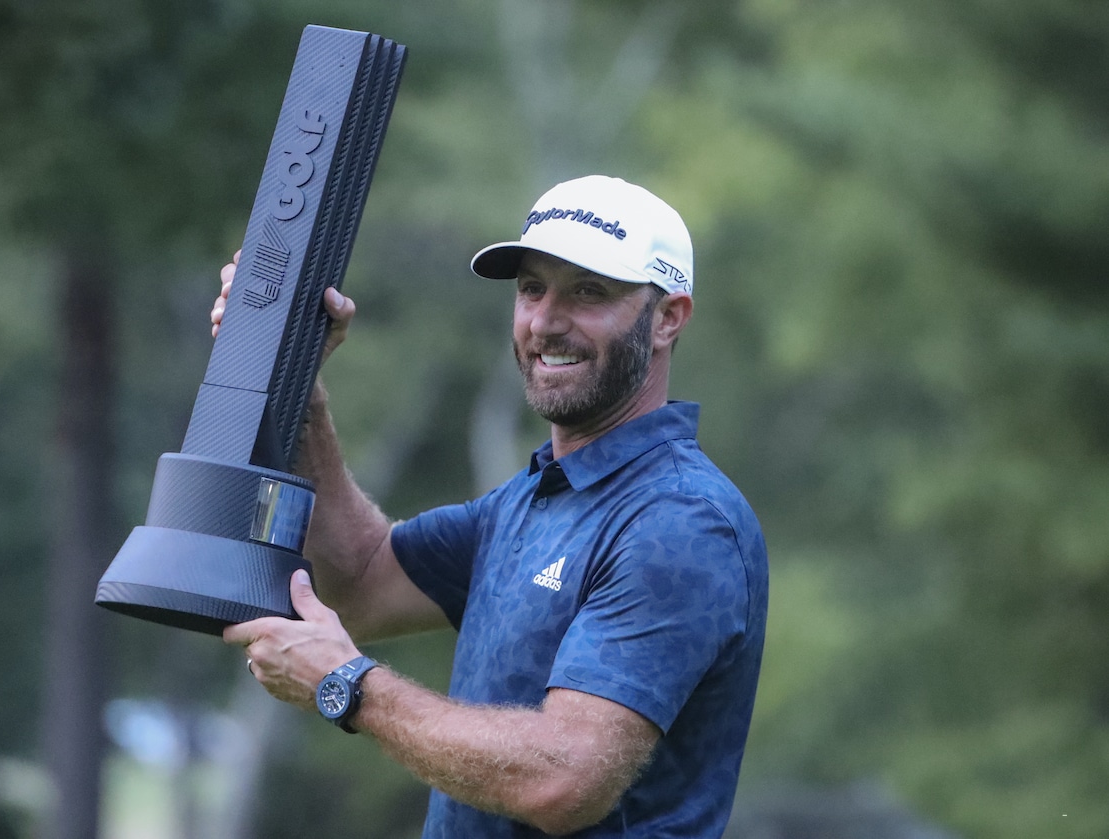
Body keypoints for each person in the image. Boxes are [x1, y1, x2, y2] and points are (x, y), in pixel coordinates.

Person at [214, 175, 768, 838]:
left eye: (588, 291)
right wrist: (296, 379)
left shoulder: (678, 520)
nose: (546, 320)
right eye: (533, 288)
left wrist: (349, 685)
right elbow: (358, 579)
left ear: (668, 318)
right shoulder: (532, 498)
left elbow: (563, 779)